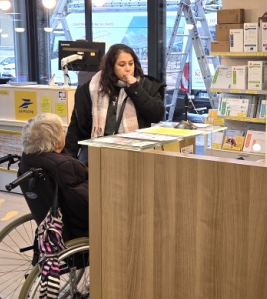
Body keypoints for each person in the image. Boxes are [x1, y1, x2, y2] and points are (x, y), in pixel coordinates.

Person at [65, 43, 165, 162]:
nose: (128, 68)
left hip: (135, 153)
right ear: (111, 67)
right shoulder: (91, 88)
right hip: (98, 153)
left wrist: (135, 88)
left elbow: (157, 114)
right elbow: (76, 127)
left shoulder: (146, 85)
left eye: (131, 63)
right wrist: (69, 159)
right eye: (122, 65)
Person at [19, 113, 88, 242]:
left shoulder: (28, 160)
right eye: (62, 131)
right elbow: (86, 204)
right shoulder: (65, 166)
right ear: (56, 141)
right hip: (78, 228)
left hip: (52, 222)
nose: (64, 134)